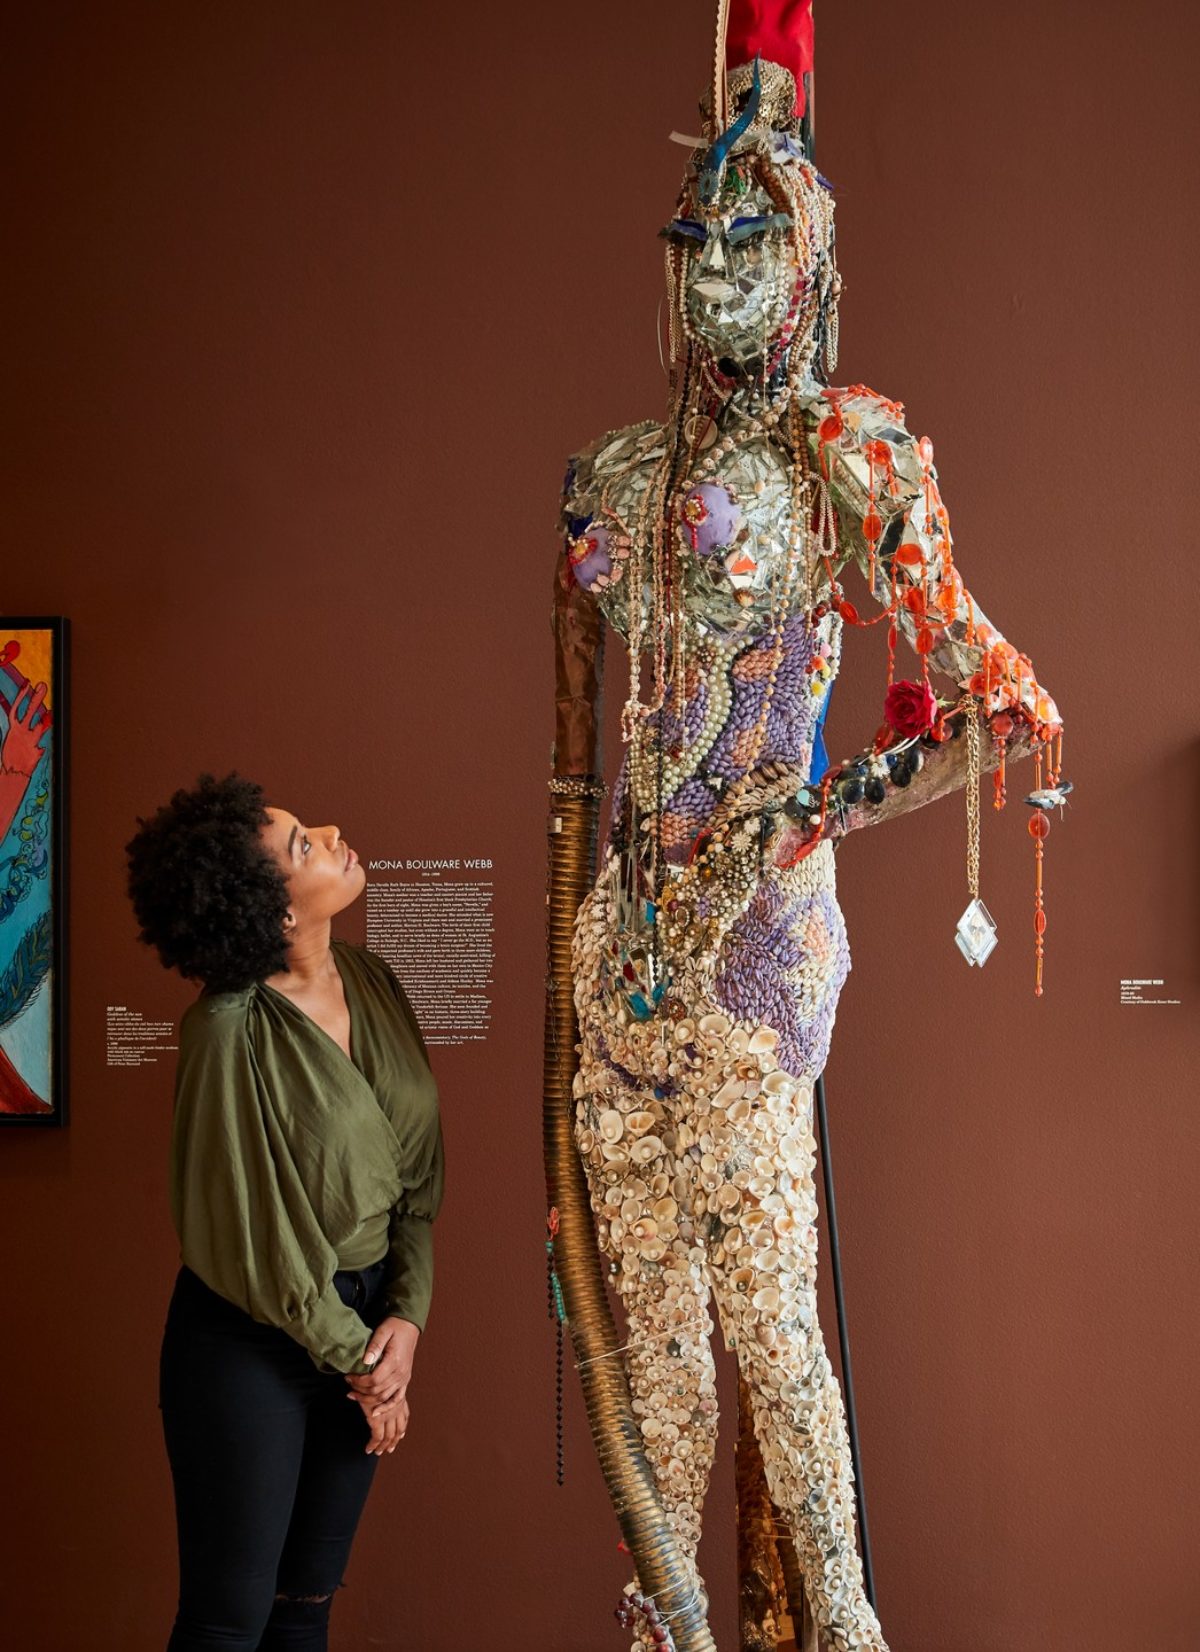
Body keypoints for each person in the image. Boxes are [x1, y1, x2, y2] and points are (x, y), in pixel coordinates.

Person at [550, 7, 1067, 1651]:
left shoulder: (853, 452)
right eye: (697, 239)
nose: (716, 275)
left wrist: (817, 807)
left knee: (776, 1343)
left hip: (754, 967)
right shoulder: (622, 475)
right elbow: (585, 759)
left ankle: (837, 1623)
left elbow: (995, 703)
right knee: (657, 1370)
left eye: (752, 239)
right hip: (611, 971)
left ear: (810, 254)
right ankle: (672, 1622)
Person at [126, 770, 444, 1652]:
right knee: (229, 1623)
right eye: (304, 843)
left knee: (306, 1609)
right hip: (249, 1342)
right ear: (272, 911)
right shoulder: (227, 1028)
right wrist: (365, 1368)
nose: (334, 831)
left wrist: (405, 1323)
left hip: (370, 1330)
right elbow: (260, 1244)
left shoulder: (374, 981)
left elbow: (416, 1189)